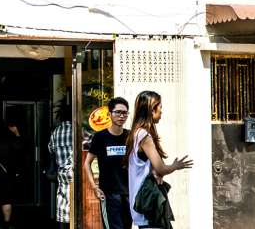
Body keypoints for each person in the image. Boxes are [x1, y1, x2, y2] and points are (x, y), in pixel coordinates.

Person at [125, 91, 193, 229]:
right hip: (147, 202)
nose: (162, 111)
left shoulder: (136, 133)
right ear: (151, 109)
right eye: (160, 107)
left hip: (143, 202)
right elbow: (161, 167)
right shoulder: (144, 135)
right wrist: (176, 165)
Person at [84, 97, 132, 229]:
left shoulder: (130, 136)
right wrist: (95, 187)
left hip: (129, 193)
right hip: (109, 194)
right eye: (118, 112)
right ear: (110, 114)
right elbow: (87, 163)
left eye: (125, 113)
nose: (122, 116)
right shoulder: (100, 137)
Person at [0, 120, 23, 229]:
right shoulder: (9, 139)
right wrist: (17, 133)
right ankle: (7, 224)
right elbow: (19, 148)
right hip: (6, 173)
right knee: (6, 199)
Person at [48, 105, 73, 229]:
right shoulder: (77, 130)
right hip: (75, 172)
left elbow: (50, 149)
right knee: (75, 202)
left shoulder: (56, 132)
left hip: (62, 172)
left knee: (63, 203)